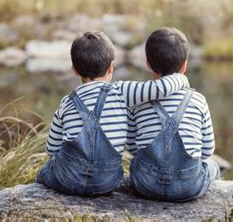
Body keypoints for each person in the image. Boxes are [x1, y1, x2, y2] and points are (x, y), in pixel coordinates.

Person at [36, 31, 189, 196]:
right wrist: (181, 78)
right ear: (111, 67)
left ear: (74, 70)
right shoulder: (122, 91)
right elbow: (161, 88)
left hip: (68, 179)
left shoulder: (66, 102)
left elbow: (52, 149)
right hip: (107, 181)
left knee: (44, 171)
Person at [127, 27, 220, 202]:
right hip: (189, 186)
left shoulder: (138, 102)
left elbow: (132, 148)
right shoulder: (198, 100)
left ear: (148, 63)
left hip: (145, 184)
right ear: (184, 65)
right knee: (213, 165)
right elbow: (207, 150)